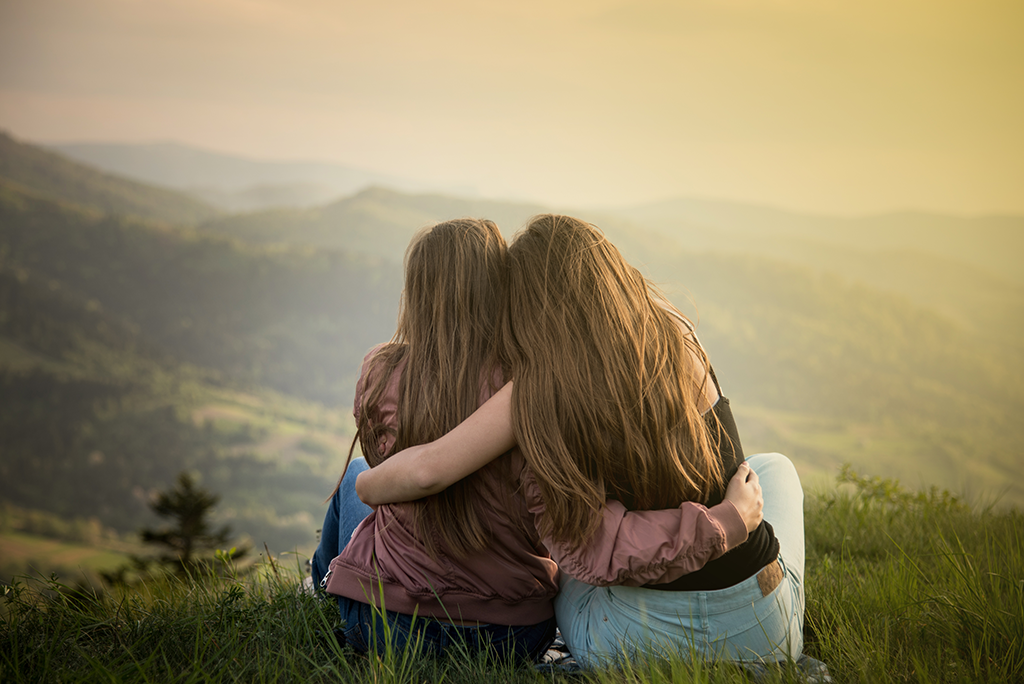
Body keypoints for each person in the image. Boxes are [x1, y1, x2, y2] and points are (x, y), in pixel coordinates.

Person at [356, 214, 805, 667]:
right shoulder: (679, 337)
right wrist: (731, 518)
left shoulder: (544, 395)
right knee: (773, 468)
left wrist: (366, 485)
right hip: (765, 630)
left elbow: (599, 551)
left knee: (570, 556)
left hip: (627, 642)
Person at [310, 218, 559, 661]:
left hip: (391, 626)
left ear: (418, 295)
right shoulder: (526, 383)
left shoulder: (381, 370)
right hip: (513, 635)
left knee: (356, 474)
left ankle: (320, 592)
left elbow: (381, 466)